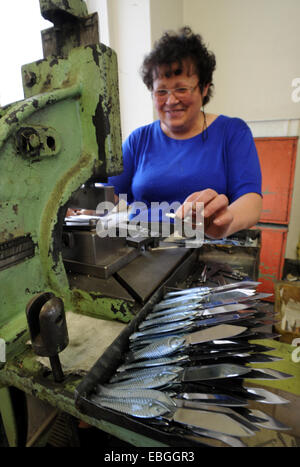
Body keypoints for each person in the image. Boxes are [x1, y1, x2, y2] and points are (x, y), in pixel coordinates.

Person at [107, 27, 262, 240]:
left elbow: (251, 201)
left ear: (204, 88)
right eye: (161, 91)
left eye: (182, 89)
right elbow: (107, 193)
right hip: (142, 251)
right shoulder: (138, 140)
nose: (171, 101)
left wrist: (223, 223)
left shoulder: (232, 132)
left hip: (207, 248)